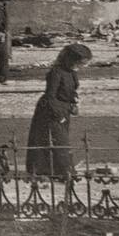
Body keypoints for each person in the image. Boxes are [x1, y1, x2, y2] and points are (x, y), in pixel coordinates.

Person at [26, 44, 91, 178]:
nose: (83, 66)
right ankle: (64, 171)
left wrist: (74, 101)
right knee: (59, 141)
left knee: (58, 140)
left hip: (64, 109)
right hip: (50, 111)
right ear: (71, 59)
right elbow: (50, 96)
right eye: (81, 63)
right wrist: (58, 115)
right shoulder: (56, 73)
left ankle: (56, 170)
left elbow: (71, 90)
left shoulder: (72, 72)